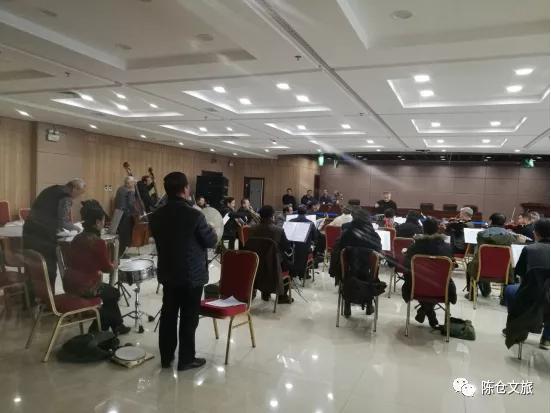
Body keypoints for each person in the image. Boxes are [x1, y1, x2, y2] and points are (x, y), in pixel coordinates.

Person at [150, 171, 218, 371]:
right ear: (185, 189)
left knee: (168, 316)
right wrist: (212, 228)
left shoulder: (156, 215)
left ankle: (166, 358)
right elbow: (210, 241)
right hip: (191, 275)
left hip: (168, 272)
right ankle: (186, 359)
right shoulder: (195, 215)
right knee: (189, 318)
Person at [64, 200, 130, 335]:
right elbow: (107, 269)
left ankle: (118, 325)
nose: (104, 224)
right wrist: (114, 264)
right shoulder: (98, 242)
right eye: (103, 221)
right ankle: (97, 329)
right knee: (114, 293)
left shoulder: (77, 238)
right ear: (97, 222)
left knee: (110, 294)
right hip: (85, 286)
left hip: (69, 282)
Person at [23, 178, 86, 291]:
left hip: (29, 232)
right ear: (74, 188)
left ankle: (28, 298)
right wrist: (77, 228)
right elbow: (63, 221)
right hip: (44, 238)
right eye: (79, 193)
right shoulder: (66, 197)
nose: (77, 197)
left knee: (31, 269)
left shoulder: (51, 189)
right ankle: (48, 298)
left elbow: (47, 212)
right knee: (49, 270)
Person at [503, 219, 550, 349]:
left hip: (532, 294)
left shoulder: (529, 249)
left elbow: (520, 274)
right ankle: (547, 338)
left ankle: (519, 328)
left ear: (536, 233)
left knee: (510, 290)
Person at [402, 218, 457, 328]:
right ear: (437, 229)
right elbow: (451, 268)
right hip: (442, 288)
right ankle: (428, 312)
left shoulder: (414, 247)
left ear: (423, 229)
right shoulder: (446, 248)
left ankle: (426, 311)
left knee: (419, 282)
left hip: (416, 287)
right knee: (435, 284)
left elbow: (406, 268)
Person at [329, 208, 383, 316]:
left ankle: (347, 304)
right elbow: (378, 253)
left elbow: (339, 250)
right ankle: (369, 303)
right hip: (368, 275)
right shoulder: (373, 235)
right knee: (371, 270)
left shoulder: (347, 233)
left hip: (349, 274)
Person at [466, 213, 524, 299]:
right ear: (504, 223)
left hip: (482, 269)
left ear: (491, 221)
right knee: (510, 267)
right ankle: (504, 297)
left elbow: (479, 251)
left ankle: (472, 294)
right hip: (504, 271)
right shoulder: (511, 237)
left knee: (471, 265)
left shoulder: (481, 235)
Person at [248, 205, 293, 303]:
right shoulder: (279, 230)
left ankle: (265, 292)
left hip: (256, 263)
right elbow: (287, 247)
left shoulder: (251, 229)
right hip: (273, 265)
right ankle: (282, 296)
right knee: (289, 265)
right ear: (272, 216)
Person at [114, 176, 139, 257]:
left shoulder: (120, 189)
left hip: (119, 215)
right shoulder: (130, 191)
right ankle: (124, 255)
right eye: (133, 183)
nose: (134, 185)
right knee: (127, 237)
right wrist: (137, 211)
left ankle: (120, 254)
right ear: (129, 183)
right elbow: (131, 204)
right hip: (127, 216)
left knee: (122, 237)